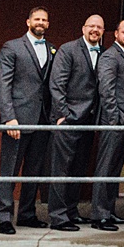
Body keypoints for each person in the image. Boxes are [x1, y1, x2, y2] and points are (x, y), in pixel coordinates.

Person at [0, 7, 54, 232]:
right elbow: (4, 84)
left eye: (44, 20)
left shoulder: (51, 49)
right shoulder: (12, 46)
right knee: (9, 169)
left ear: (48, 24)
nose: (40, 22)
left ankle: (27, 213)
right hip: (17, 119)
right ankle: (3, 218)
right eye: (37, 19)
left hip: (42, 119)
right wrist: (9, 117)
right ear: (27, 21)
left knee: (34, 170)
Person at [46, 14, 104, 230]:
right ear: (83, 28)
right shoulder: (68, 50)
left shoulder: (103, 53)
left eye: (99, 27)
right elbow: (57, 84)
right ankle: (58, 217)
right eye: (91, 26)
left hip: (89, 120)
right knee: (61, 169)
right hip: (68, 120)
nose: (95, 30)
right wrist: (62, 115)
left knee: (78, 168)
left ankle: (72, 210)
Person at [90, 18, 124, 230]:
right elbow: (107, 90)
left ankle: (109, 211)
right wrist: (114, 119)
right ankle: (99, 215)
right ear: (116, 35)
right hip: (115, 122)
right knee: (106, 167)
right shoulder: (110, 56)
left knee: (115, 168)